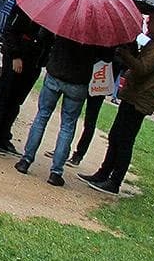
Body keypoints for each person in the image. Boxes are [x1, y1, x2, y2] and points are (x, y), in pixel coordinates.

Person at [80, 11, 154, 194]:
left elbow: (143, 68)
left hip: (140, 99)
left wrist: (126, 55)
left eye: (151, 21)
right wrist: (133, 52)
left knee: (124, 139)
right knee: (115, 135)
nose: (148, 24)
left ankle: (114, 181)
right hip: (134, 95)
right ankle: (103, 173)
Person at [15, 36, 99, 186]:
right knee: (67, 125)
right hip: (78, 80)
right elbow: (105, 56)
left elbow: (47, 38)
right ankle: (56, 172)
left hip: (56, 71)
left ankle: (25, 160)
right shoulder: (98, 31)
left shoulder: (66, 20)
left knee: (42, 116)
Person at [0, 6, 52, 155]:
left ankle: (4, 135)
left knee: (16, 100)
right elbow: (10, 31)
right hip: (18, 54)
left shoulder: (54, 15)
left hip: (35, 59)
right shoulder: (28, 6)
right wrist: (15, 55)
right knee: (4, 94)